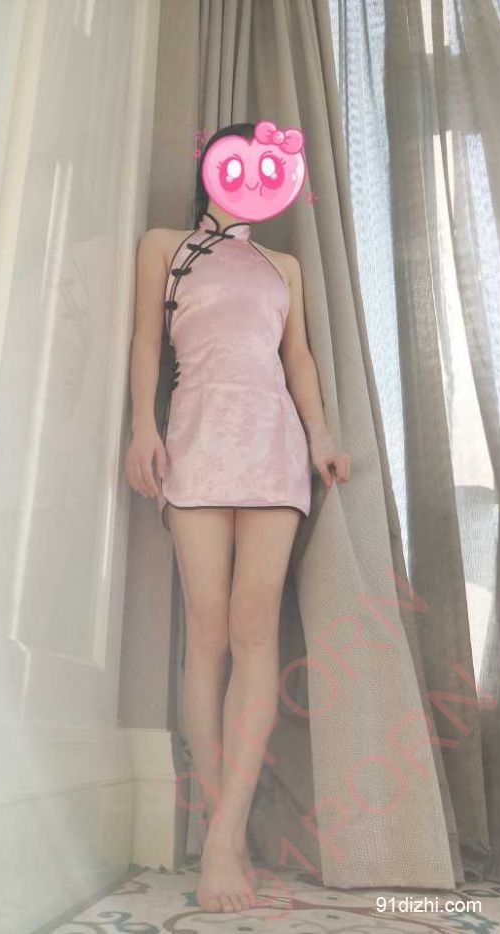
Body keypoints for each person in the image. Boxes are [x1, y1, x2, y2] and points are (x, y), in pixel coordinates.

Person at [124, 123, 350, 914]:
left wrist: (321, 435)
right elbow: (146, 345)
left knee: (256, 632)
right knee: (209, 634)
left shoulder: (283, 265)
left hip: (272, 445)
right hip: (195, 435)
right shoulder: (165, 246)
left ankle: (223, 834)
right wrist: (142, 427)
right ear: (215, 167)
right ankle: (224, 824)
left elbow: (299, 359)